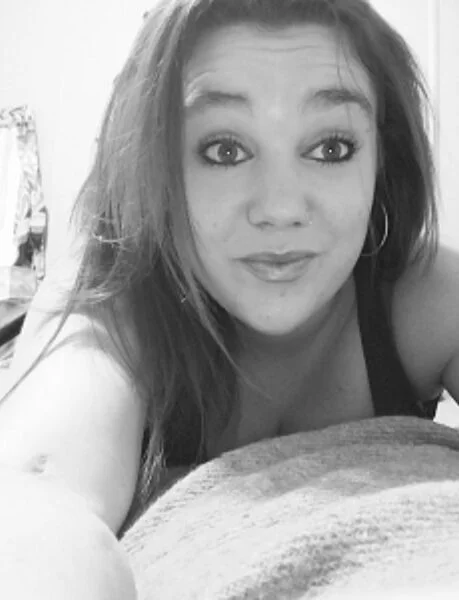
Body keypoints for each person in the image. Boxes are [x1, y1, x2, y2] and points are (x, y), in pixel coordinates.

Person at [1, 0, 458, 595]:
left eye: (331, 147)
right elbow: (35, 501)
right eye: (224, 150)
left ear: (381, 161)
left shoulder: (419, 295)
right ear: (156, 167)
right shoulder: (109, 305)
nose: (281, 208)